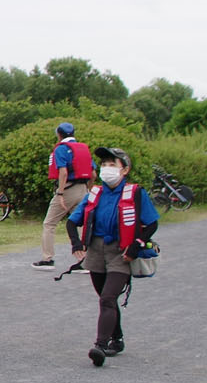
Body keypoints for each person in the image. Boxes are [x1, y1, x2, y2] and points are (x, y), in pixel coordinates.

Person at [65, 146, 161, 367]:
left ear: (124, 170)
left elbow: (151, 222)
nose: (107, 168)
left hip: (122, 252)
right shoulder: (95, 193)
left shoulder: (135, 193)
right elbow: (73, 221)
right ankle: (116, 339)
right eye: (105, 164)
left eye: (113, 164)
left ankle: (100, 345)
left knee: (107, 298)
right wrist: (76, 243)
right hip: (96, 250)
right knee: (106, 297)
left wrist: (136, 246)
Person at [36, 122, 94, 269]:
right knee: (80, 223)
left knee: (49, 224)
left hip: (67, 189)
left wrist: (60, 193)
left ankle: (47, 258)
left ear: (59, 134)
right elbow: (93, 173)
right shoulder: (83, 149)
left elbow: (63, 172)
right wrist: (89, 189)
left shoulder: (61, 149)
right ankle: (84, 260)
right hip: (83, 189)